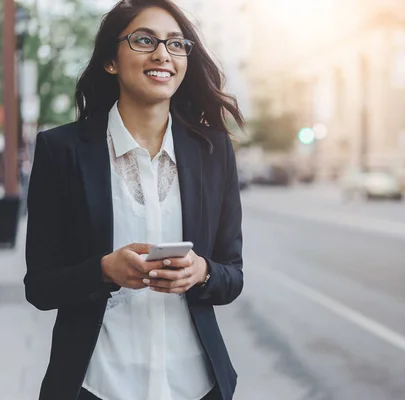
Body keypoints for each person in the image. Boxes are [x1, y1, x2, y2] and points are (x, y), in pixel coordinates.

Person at [24, 1, 244, 399]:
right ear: (111, 60)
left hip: (194, 385)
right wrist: (104, 271)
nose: (163, 54)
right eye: (145, 40)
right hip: (96, 384)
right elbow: (39, 287)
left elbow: (232, 275)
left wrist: (201, 271)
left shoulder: (213, 151)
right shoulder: (62, 151)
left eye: (176, 44)